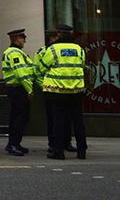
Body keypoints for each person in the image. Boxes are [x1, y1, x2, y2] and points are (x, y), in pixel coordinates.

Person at [39, 24, 87, 160]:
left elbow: (42, 67)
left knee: (58, 122)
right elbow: (82, 65)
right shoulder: (79, 49)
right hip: (76, 90)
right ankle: (82, 151)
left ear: (59, 34)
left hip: (57, 91)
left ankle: (58, 152)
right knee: (78, 122)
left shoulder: (53, 49)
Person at [35, 27, 76, 154]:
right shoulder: (43, 51)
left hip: (67, 88)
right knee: (53, 119)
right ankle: (53, 143)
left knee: (66, 118)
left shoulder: (65, 49)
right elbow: (38, 70)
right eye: (55, 37)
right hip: (51, 89)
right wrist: (45, 86)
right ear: (51, 38)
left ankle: (66, 142)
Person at [1, 29, 35, 156]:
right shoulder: (15, 53)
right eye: (23, 38)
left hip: (15, 89)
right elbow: (21, 73)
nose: (25, 41)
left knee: (16, 117)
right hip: (18, 89)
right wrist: (29, 89)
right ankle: (14, 144)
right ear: (17, 39)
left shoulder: (15, 52)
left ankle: (14, 143)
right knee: (19, 118)